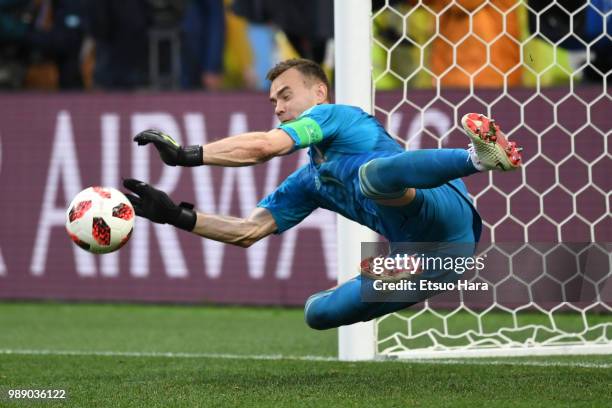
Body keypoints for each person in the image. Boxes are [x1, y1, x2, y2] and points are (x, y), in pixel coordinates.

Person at [123, 58, 522, 330]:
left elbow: (267, 147)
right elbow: (248, 231)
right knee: (319, 313)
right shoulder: (310, 182)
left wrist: (185, 155)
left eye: (286, 95)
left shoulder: (334, 116)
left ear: (319, 94)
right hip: (433, 261)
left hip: (445, 214)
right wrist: (175, 215)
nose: (278, 107)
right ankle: (385, 277)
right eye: (273, 101)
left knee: (371, 176)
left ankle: (480, 157)